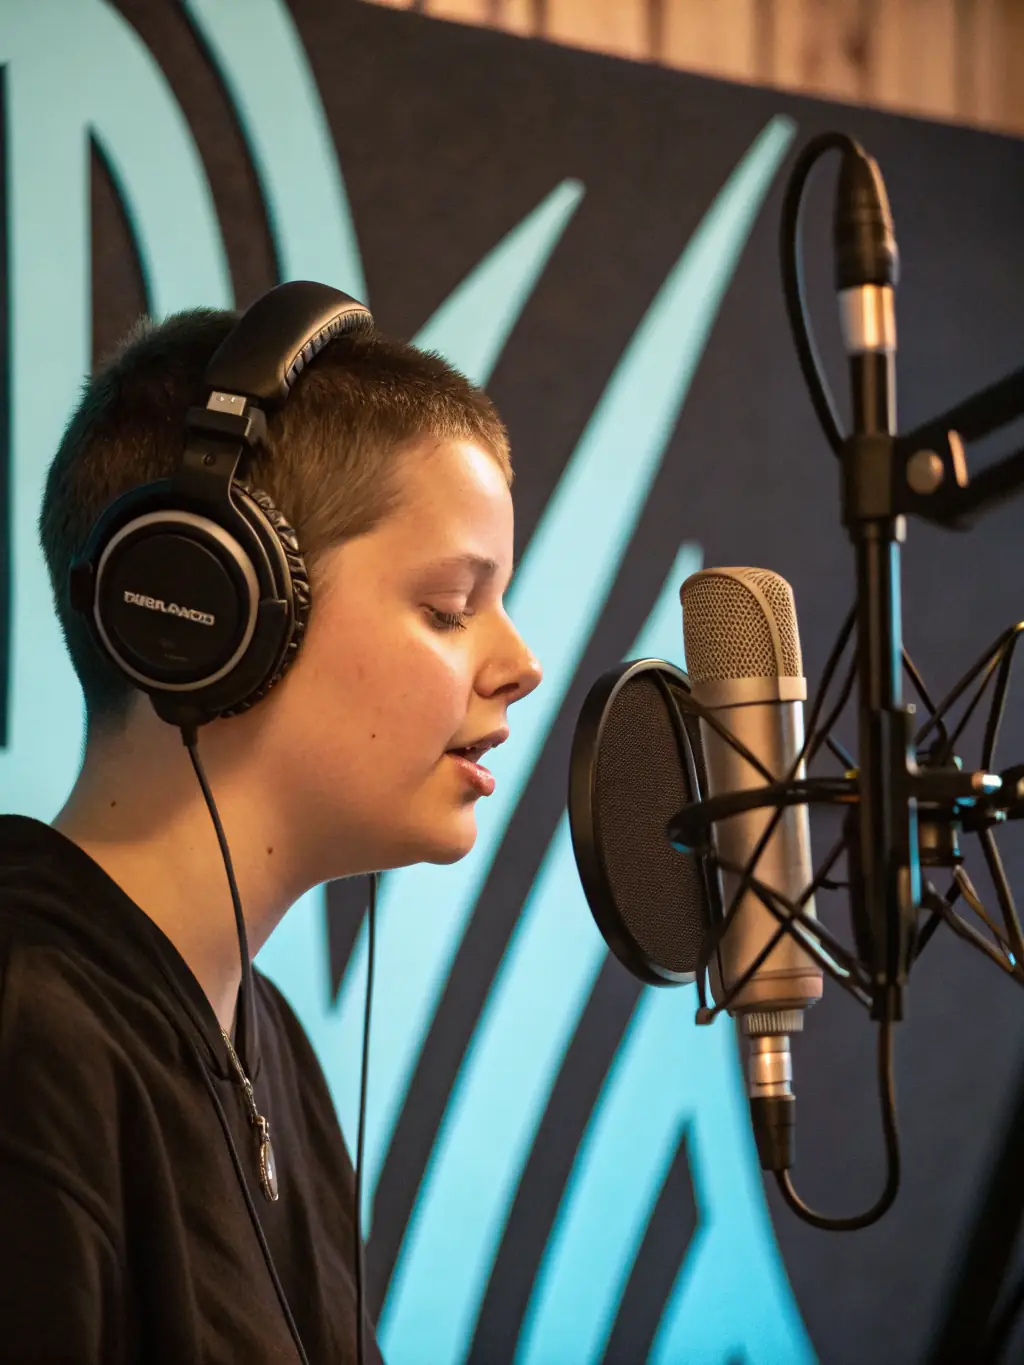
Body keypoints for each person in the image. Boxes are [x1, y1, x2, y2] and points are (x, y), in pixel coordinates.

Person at [0, 297, 542, 1363]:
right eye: (447, 607)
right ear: (206, 606)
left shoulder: (265, 1042)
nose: (521, 663)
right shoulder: (29, 1042)